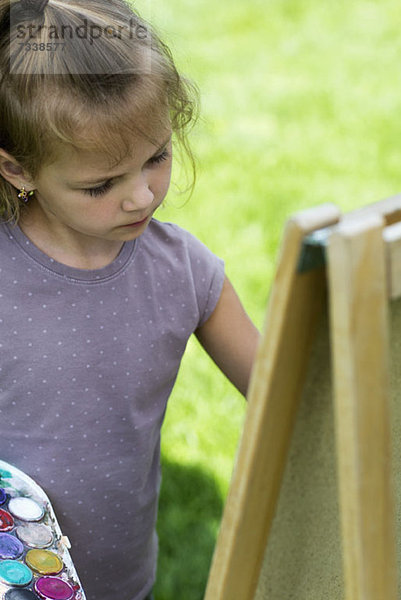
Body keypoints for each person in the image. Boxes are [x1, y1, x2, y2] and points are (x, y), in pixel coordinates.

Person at [0, 0, 260, 598]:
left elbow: (286, 393)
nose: (142, 196)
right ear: (18, 170)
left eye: (157, 158)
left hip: (122, 577)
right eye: (101, 184)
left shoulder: (183, 272)